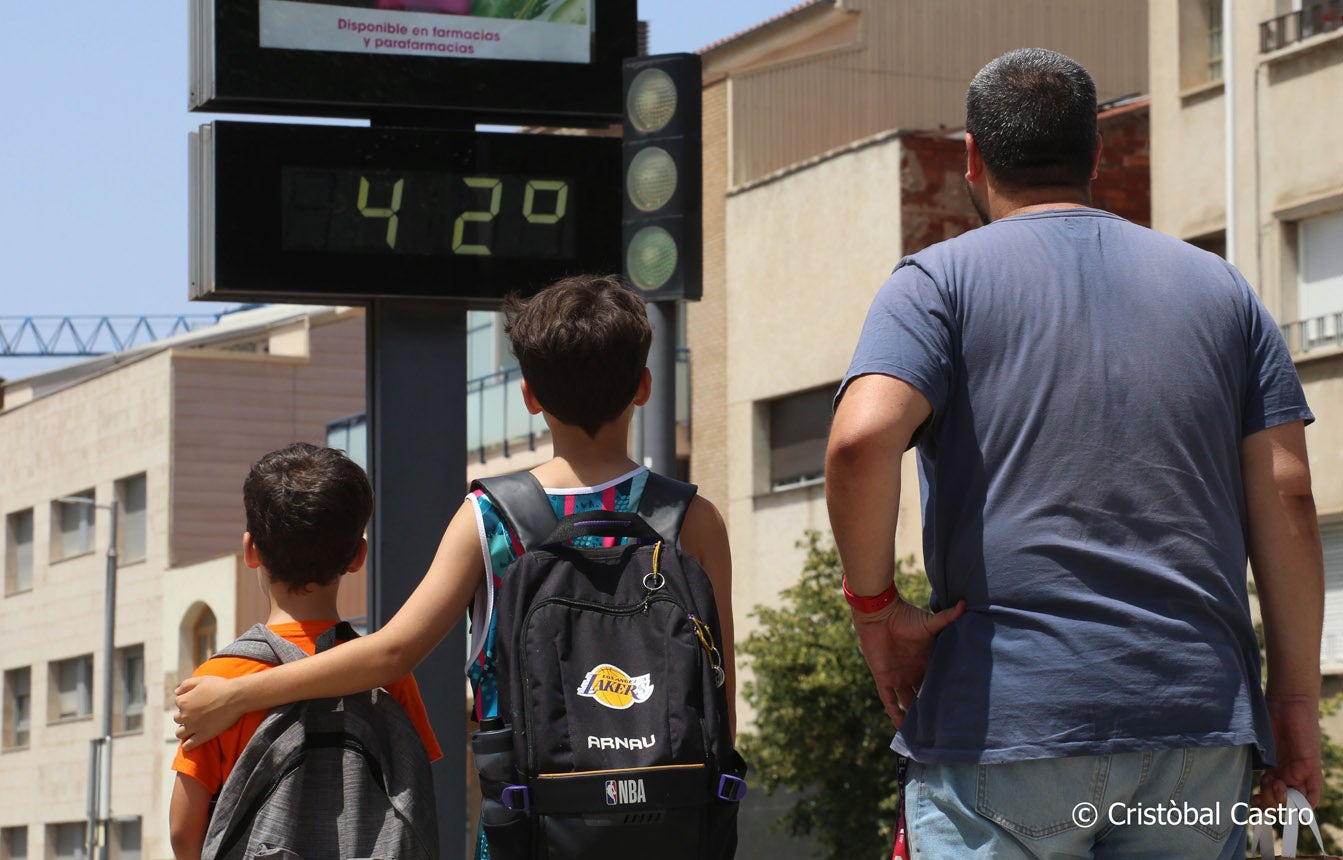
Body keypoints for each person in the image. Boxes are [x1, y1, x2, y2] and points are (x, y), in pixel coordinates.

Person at [825, 48, 1323, 859]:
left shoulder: (933, 284)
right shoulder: (1221, 290)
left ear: (970, 159)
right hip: (1194, 734)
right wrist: (1294, 697)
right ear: (1095, 152)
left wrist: (877, 614)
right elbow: (1289, 494)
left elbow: (857, 440)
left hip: (1005, 725)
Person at [172, 274, 736, 859]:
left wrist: (239, 696)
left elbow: (391, 653)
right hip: (674, 824)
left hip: (531, 830)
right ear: (643, 386)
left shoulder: (492, 517)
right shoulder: (691, 519)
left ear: (529, 397)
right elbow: (721, 704)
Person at [168, 442, 443, 860]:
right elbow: (414, 791)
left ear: (251, 550)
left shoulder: (218, 681)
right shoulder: (384, 676)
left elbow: (182, 832)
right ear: (358, 556)